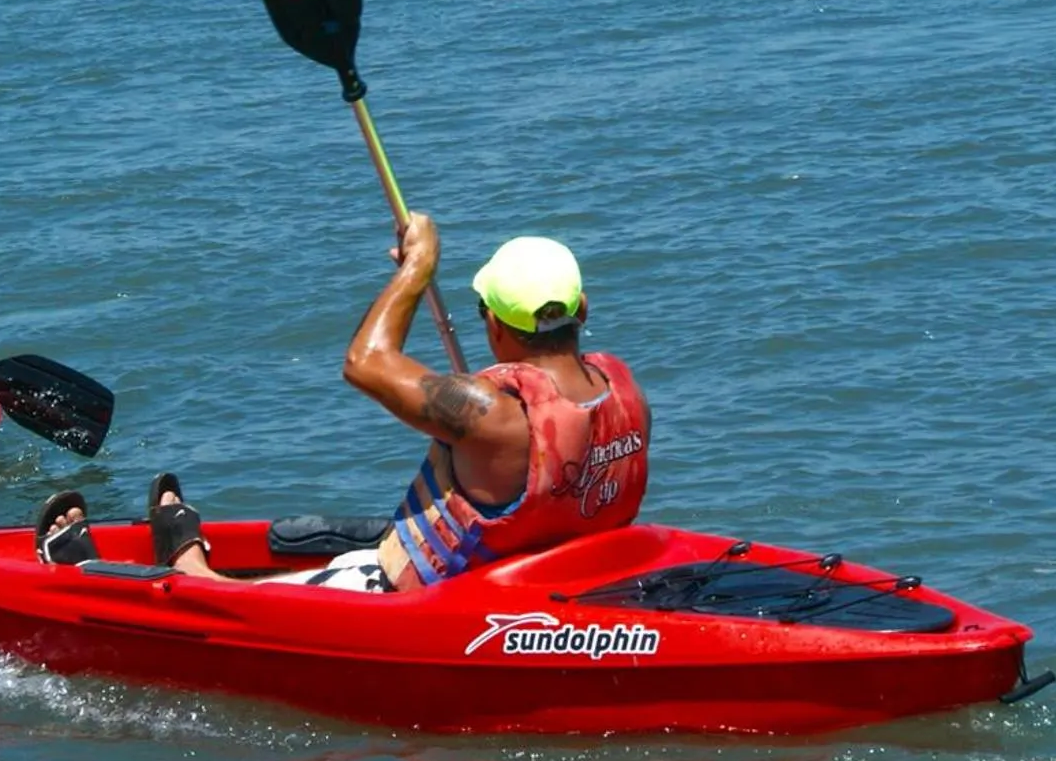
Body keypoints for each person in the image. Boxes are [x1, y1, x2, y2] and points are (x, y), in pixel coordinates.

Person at [35, 215, 650, 593]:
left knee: (215, 591)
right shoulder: (623, 388)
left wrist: (416, 270)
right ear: (583, 310)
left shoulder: (490, 414)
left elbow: (365, 363)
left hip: (433, 598)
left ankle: (170, 559)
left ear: (492, 324)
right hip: (547, 584)